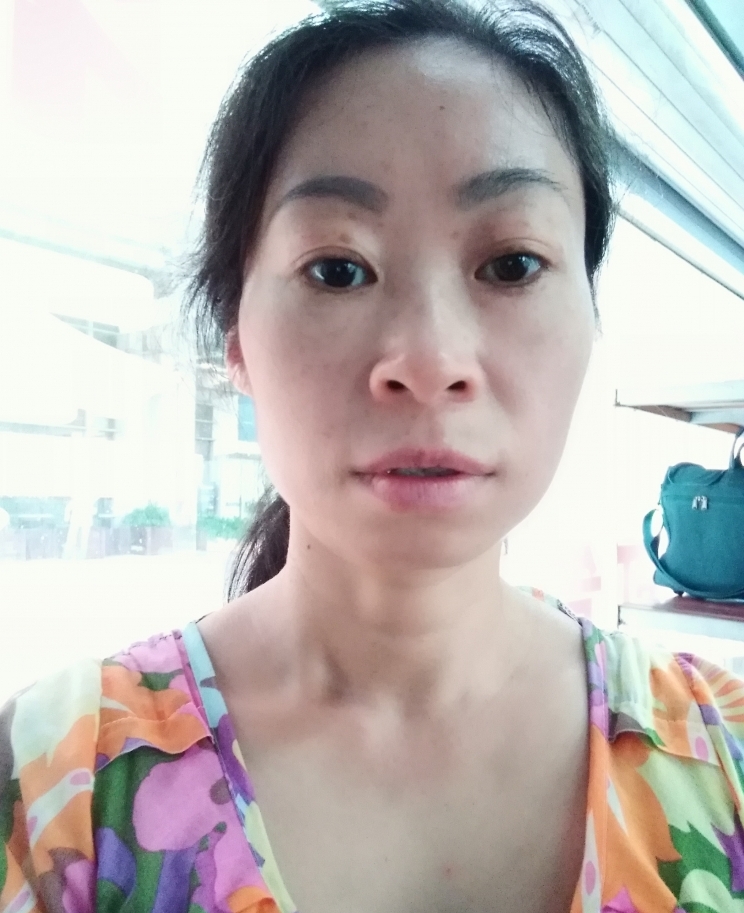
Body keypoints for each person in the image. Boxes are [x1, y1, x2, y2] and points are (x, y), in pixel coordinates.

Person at [1, 2, 743, 911]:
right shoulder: (52, 788)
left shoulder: (723, 753)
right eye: (337, 268)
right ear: (236, 342)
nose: (428, 360)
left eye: (511, 263)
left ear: (591, 318)